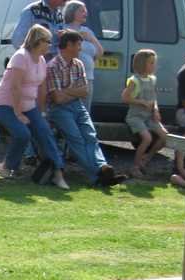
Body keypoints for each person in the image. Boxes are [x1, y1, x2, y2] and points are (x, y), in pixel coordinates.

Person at [46, 29, 124, 187]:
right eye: (78, 45)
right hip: (59, 109)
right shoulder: (52, 66)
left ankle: (102, 167)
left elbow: (84, 91)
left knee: (91, 136)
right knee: (76, 139)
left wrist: (66, 91)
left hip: (77, 105)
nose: (80, 49)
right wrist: (74, 92)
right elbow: (57, 98)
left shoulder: (78, 64)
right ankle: (99, 175)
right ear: (69, 45)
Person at [0, 24, 66, 186]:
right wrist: (18, 114)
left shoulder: (42, 60)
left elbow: (41, 89)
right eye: (48, 41)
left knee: (45, 131)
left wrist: (42, 112)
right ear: (38, 41)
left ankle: (58, 172)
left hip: (29, 106)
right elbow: (15, 87)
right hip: (5, 105)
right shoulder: (20, 57)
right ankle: (8, 167)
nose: (50, 45)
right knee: (22, 133)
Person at [122, 48, 168, 181]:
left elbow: (154, 98)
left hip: (149, 116)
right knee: (147, 138)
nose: (154, 66)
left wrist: (156, 110)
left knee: (165, 137)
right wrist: (141, 102)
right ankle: (135, 166)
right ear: (142, 64)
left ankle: (146, 158)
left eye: (154, 63)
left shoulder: (152, 79)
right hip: (136, 117)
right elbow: (125, 98)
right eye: (151, 63)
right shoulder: (134, 81)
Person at [62, 0, 101, 108]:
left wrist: (91, 38)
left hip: (88, 77)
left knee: (85, 111)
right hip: (69, 77)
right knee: (69, 109)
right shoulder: (62, 28)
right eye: (82, 11)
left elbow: (100, 51)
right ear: (72, 12)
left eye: (85, 11)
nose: (85, 13)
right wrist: (77, 35)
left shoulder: (87, 30)